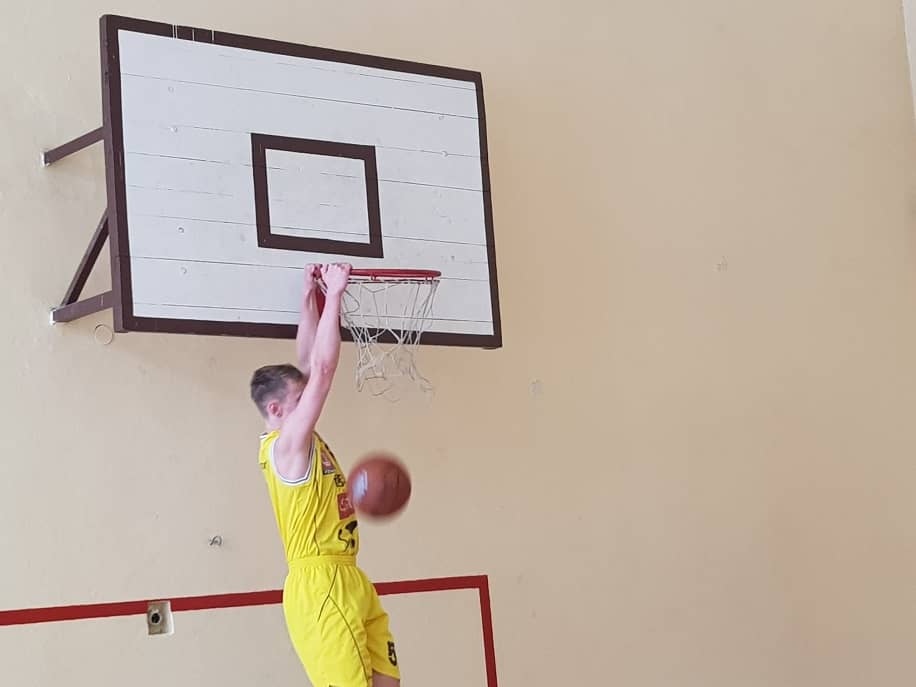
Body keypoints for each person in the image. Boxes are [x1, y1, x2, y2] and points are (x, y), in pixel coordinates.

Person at [250, 263, 401, 687]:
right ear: (276, 410)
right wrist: (334, 294)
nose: (311, 399)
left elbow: (309, 361)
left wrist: (308, 296)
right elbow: (323, 371)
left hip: (348, 574)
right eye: (301, 398)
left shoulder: (302, 436)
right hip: (319, 584)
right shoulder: (285, 447)